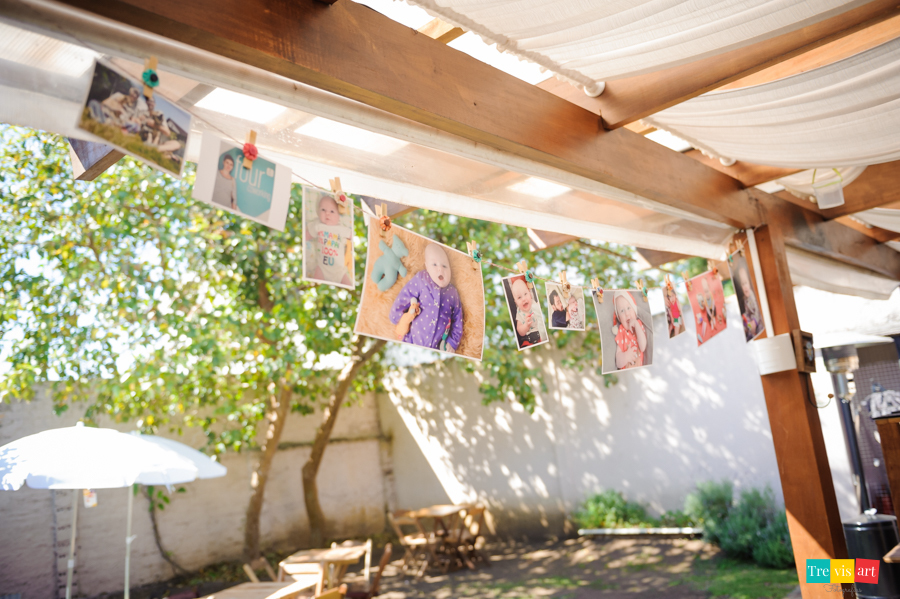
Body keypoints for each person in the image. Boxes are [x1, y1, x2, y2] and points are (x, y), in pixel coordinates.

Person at [389, 243, 464, 352]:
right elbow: (406, 293)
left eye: (444, 266)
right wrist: (396, 315)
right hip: (412, 340)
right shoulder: (422, 278)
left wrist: (452, 342)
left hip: (437, 347)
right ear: (427, 266)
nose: (440, 269)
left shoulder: (452, 292)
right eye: (434, 264)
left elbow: (458, 318)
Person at [306, 193, 352, 286]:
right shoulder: (318, 226)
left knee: (349, 285)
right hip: (322, 268)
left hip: (339, 270)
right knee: (316, 283)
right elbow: (306, 236)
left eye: (332, 211)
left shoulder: (341, 228)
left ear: (338, 216)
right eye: (323, 210)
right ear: (318, 213)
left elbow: (352, 236)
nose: (327, 213)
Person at [613, 290, 647, 369]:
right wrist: (625, 356)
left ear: (635, 311)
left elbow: (643, 347)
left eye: (629, 308)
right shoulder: (621, 331)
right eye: (622, 311)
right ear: (619, 318)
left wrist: (636, 325)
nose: (627, 313)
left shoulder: (638, 324)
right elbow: (618, 363)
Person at [511, 276, 547, 347]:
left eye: (525, 294)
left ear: (530, 294)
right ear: (516, 302)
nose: (524, 299)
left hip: (540, 335)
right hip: (528, 340)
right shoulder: (519, 312)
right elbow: (519, 331)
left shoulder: (534, 304)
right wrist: (525, 326)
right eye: (519, 297)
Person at [736, 266, 762, 339]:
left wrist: (754, 321)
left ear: (749, 283)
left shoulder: (752, 296)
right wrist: (744, 317)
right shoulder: (745, 299)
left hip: (758, 322)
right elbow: (747, 312)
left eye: (746, 283)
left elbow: (757, 311)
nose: (745, 286)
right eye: (742, 284)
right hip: (750, 321)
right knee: (744, 324)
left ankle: (751, 334)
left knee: (754, 330)